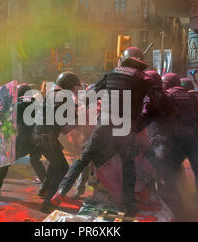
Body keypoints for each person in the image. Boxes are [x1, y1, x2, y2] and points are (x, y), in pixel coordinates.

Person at [51, 47, 158, 216]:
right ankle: (130, 206)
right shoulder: (142, 79)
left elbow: (90, 96)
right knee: (128, 167)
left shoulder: (111, 74)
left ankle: (62, 190)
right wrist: (140, 122)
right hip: (125, 129)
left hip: (104, 125)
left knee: (84, 158)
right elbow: (155, 102)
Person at [141, 72, 198, 217]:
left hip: (171, 140)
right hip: (191, 139)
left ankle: (180, 213)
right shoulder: (192, 96)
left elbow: (154, 117)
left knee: (166, 176)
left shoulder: (166, 95)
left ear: (167, 84)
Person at [0, 83, 47, 200]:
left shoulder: (15, 105)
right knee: (36, 161)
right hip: (33, 139)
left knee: (3, 163)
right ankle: (46, 188)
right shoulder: (37, 105)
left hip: (18, 139)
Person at [35, 72, 81, 213]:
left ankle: (43, 190)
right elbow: (67, 121)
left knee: (55, 165)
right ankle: (48, 203)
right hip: (47, 137)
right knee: (62, 169)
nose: (75, 90)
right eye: (74, 88)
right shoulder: (63, 97)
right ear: (68, 86)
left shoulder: (52, 93)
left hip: (40, 135)